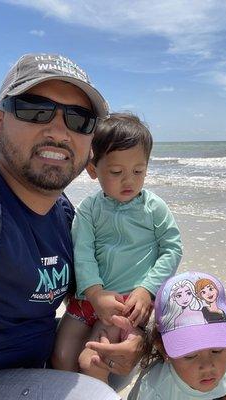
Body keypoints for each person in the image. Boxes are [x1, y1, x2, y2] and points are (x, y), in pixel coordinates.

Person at [0, 53, 142, 400]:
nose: (58, 131)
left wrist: (130, 331)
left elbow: (86, 293)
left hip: (30, 366)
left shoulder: (64, 214)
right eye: (34, 109)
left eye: (79, 119)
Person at [52, 113, 183, 382]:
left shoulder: (153, 207)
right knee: (62, 358)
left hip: (123, 305)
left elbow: (172, 248)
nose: (129, 181)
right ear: (93, 169)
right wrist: (95, 293)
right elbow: (83, 252)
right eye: (116, 172)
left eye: (138, 171)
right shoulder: (89, 209)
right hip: (86, 300)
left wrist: (147, 289)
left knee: (94, 361)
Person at [128, 271, 226, 400]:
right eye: (190, 355)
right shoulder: (155, 390)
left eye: (217, 350)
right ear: (163, 350)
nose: (207, 366)